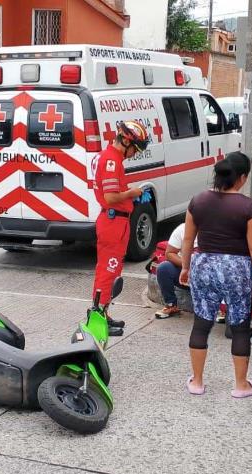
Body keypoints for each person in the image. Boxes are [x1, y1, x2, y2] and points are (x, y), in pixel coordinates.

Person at [180, 151, 252, 398]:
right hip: (237, 269)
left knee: (202, 323)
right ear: (241, 178)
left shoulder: (198, 200)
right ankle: (241, 385)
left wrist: (185, 267)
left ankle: (197, 382)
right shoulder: (247, 206)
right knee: (240, 327)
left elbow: (188, 239)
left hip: (204, 265)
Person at [91, 120, 150, 335]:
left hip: (115, 221)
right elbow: (110, 196)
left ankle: (102, 313)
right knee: (108, 271)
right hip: (113, 221)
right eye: (136, 147)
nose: (135, 153)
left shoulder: (108, 158)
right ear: (126, 140)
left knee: (109, 270)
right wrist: (132, 193)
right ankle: (98, 319)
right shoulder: (111, 161)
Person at [154, 223, 197, 319]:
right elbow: (169, 253)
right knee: (164, 268)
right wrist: (187, 266)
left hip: (210, 276)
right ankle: (171, 305)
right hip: (186, 275)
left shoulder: (217, 229)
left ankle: (222, 309)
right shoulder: (183, 229)